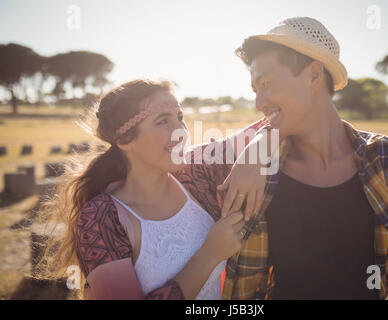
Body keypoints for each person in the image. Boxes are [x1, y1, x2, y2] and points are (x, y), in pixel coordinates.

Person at [217, 17, 388, 300]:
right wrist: (255, 148)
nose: (258, 103)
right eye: (255, 89)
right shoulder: (258, 173)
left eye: (266, 83)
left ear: (314, 75)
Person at [34, 78, 268, 299]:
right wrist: (209, 255)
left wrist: (252, 157)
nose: (182, 131)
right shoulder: (102, 218)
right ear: (126, 140)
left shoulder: (196, 172)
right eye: (163, 121)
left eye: (180, 117)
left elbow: (274, 122)